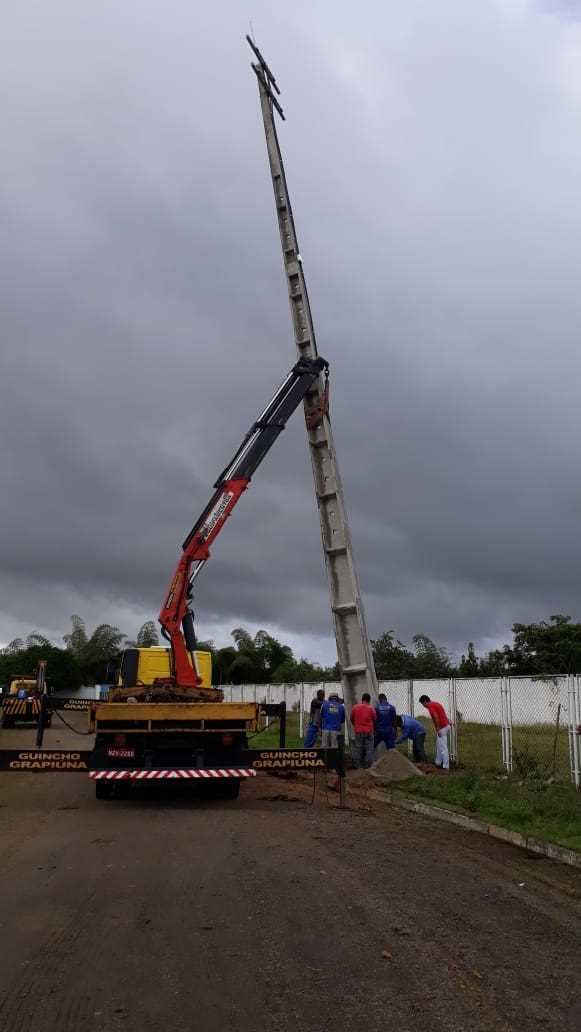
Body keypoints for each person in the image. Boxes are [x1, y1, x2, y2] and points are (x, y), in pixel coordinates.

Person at [419, 694, 450, 771]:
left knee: (443, 747)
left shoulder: (430, 706)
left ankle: (446, 766)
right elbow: (442, 713)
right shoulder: (436, 703)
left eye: (422, 704)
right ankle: (438, 762)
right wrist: (448, 721)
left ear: (425, 701)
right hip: (445, 725)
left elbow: (436, 716)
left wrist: (438, 729)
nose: (423, 706)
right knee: (439, 744)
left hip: (442, 727)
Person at [350, 692, 376, 769]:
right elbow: (375, 719)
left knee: (358, 747)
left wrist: (356, 725)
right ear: (369, 700)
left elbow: (351, 719)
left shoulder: (355, 707)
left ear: (362, 699)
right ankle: (368, 765)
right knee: (369, 748)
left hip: (358, 731)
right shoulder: (371, 708)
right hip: (369, 731)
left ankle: (357, 765)